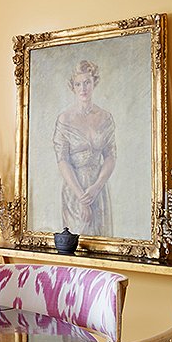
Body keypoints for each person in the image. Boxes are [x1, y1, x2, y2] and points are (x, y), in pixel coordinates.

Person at [52, 60, 116, 236]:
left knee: (102, 242)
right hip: (74, 189)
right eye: (78, 84)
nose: (83, 88)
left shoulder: (105, 117)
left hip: (98, 187)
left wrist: (96, 187)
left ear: (94, 82)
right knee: (77, 242)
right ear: (72, 87)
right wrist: (82, 197)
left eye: (87, 82)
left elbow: (110, 155)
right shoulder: (65, 119)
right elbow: (62, 160)